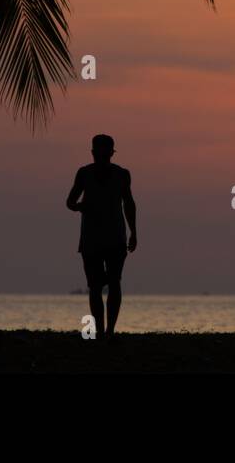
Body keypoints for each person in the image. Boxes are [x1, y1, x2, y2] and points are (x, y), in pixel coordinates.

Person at [66, 134, 137, 339]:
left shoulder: (122, 175)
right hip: (92, 238)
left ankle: (109, 331)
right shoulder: (84, 173)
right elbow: (70, 201)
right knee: (96, 285)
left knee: (113, 282)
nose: (103, 156)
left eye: (106, 153)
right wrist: (80, 207)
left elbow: (129, 204)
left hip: (115, 237)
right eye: (101, 153)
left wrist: (134, 232)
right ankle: (101, 332)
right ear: (94, 153)